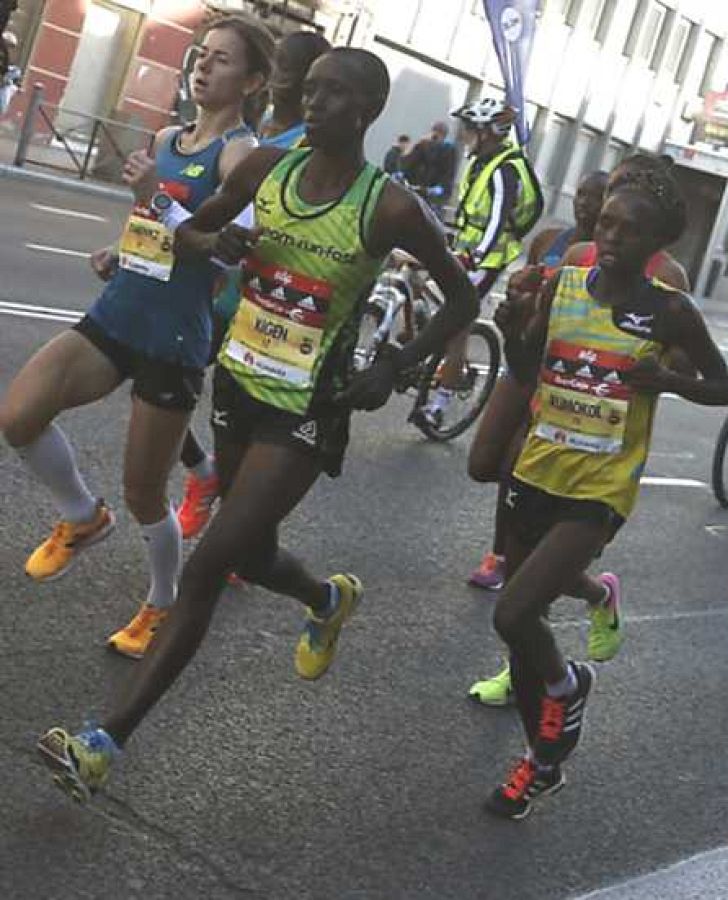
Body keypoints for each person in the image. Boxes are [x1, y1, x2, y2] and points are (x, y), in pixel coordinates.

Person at [34, 47, 482, 802]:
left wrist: (392, 366)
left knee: (212, 564)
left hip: (310, 408)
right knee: (254, 550)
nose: (314, 105)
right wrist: (219, 242)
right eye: (309, 91)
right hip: (240, 385)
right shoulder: (261, 172)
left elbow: (463, 302)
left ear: (368, 109)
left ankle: (104, 739)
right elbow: (187, 233)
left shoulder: (390, 207)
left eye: (335, 95)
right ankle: (326, 599)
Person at [0, 16, 272, 659]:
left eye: (222, 61)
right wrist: (118, 252)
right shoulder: (165, 136)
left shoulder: (239, 155)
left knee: (146, 492)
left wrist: (158, 197)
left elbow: (234, 250)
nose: (202, 67)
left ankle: (161, 601)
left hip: (173, 339)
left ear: (254, 80)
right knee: (18, 415)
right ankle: (80, 516)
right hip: (119, 314)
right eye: (201, 55)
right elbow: (151, 230)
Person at [477, 162, 728, 819]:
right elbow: (528, 367)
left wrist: (667, 381)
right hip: (537, 470)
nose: (612, 236)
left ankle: (570, 684)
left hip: (600, 488)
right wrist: (513, 326)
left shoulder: (670, 312)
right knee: (523, 627)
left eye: (631, 229)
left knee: (513, 612)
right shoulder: (562, 286)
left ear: (657, 247)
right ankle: (543, 760)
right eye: (607, 224)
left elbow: (722, 388)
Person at [464, 156, 688, 707]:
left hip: (595, 420)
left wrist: (650, 373)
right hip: (540, 376)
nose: (605, 213)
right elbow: (536, 317)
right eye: (609, 193)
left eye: (623, 196)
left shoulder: (668, 281)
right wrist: (522, 305)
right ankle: (588, 588)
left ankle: (522, 671)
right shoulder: (568, 250)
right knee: (483, 464)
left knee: (530, 574)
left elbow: (679, 365)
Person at [175, 28, 332, 545]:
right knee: (161, 379)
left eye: (296, 67)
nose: (286, 74)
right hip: (223, 287)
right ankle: (206, 476)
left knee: (252, 424)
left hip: (270, 303)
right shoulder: (257, 131)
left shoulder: (310, 142)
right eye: (281, 63)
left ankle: (245, 534)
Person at [465, 169, 608, 593]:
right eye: (581, 193)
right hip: (524, 356)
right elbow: (524, 286)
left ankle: (502, 555)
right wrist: (519, 293)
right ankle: (535, 524)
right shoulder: (550, 241)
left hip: (563, 376)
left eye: (596, 197)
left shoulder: (604, 256)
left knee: (513, 465)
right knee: (483, 464)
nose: (584, 203)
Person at [413, 96, 543, 431]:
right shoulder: (478, 162)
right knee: (413, 276)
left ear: (489, 133)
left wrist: (476, 256)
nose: (467, 134)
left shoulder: (505, 170)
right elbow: (467, 212)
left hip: (489, 257)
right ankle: (416, 337)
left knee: (458, 325)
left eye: (472, 129)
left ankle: (438, 405)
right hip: (464, 247)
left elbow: (498, 221)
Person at [403, 120, 457, 210]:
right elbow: (409, 163)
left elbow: (448, 174)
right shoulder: (422, 145)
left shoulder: (448, 150)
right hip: (419, 188)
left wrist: (440, 188)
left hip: (431, 191)